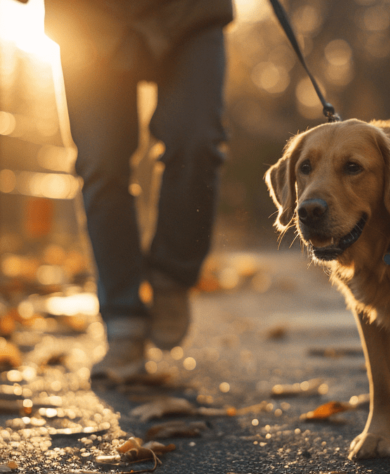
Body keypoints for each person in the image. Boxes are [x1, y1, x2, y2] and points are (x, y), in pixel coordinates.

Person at [43, 1, 234, 379]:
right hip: (85, 15)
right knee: (100, 162)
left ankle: (172, 275)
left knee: (196, 140)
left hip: (191, 14)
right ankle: (123, 320)